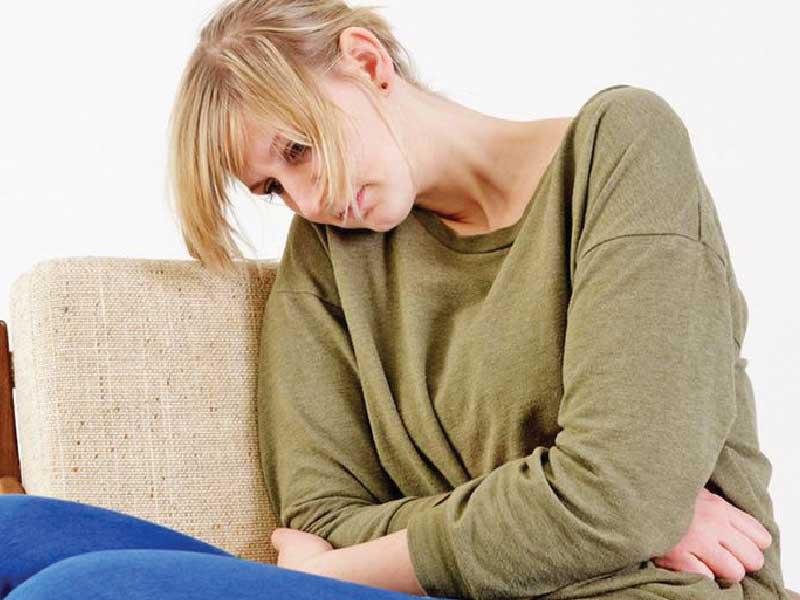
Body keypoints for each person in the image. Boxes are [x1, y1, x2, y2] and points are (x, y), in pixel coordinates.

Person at [0, 0, 789, 599]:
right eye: (273, 187)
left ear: (367, 62)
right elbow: (321, 520)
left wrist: (342, 568)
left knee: (83, 591)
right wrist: (578, 512)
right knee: (13, 532)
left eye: (299, 149)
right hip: (436, 590)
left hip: (640, 592)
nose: (307, 199)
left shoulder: (619, 147)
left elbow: (620, 497)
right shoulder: (332, 250)